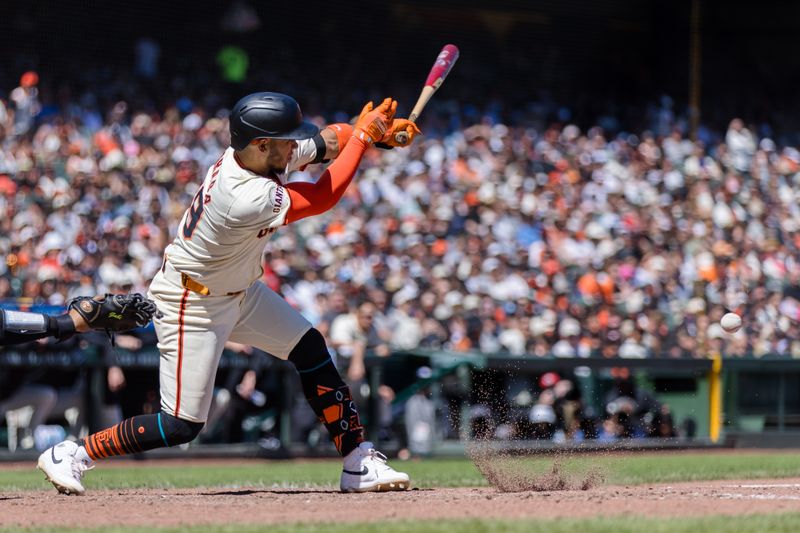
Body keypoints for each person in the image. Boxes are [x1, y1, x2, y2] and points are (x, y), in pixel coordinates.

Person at [37, 92, 420, 495]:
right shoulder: (242, 195)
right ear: (261, 144)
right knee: (181, 424)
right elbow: (324, 196)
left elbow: (328, 140)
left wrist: (375, 134)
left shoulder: (260, 150)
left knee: (310, 348)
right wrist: (362, 140)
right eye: (287, 140)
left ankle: (358, 459)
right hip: (193, 303)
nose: (295, 146)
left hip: (239, 291)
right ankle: (75, 453)